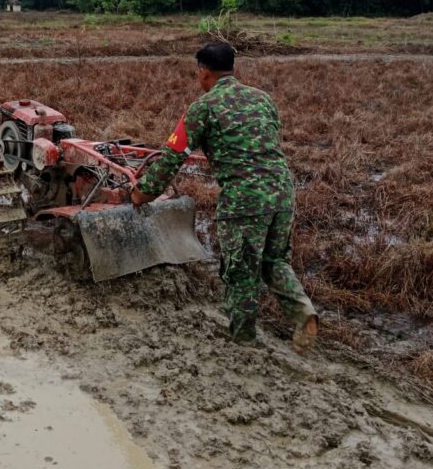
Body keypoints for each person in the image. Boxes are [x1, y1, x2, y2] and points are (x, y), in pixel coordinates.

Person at [131, 42, 318, 354]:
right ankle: (303, 312)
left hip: (245, 196)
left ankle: (243, 342)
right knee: (274, 259)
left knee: (241, 268)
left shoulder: (202, 108)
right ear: (232, 68)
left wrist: (141, 193)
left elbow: (170, 159)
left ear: (203, 71)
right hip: (283, 189)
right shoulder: (263, 99)